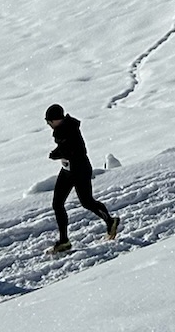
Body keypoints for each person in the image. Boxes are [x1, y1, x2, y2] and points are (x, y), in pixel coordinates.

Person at [43, 103, 120, 253]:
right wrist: (57, 152)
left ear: (57, 120)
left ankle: (111, 221)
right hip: (67, 170)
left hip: (80, 170)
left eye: (49, 121)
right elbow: (65, 147)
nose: (49, 125)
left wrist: (59, 153)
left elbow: (78, 150)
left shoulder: (70, 129)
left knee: (87, 202)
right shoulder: (61, 129)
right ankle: (64, 241)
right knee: (57, 203)